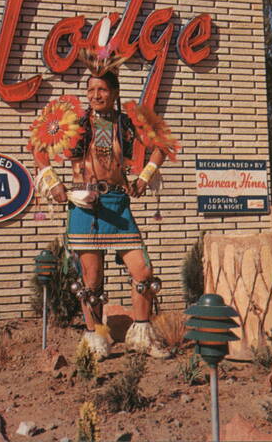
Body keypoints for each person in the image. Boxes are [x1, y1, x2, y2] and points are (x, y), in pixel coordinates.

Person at [32, 70, 179, 360]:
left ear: (114, 92)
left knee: (144, 272)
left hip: (118, 203)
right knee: (92, 279)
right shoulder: (73, 121)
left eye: (101, 90)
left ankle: (141, 336)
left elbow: (161, 144)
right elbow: (38, 146)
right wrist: (53, 182)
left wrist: (144, 177)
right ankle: (95, 342)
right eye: (90, 90)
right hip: (85, 206)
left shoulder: (126, 122)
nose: (95, 96)